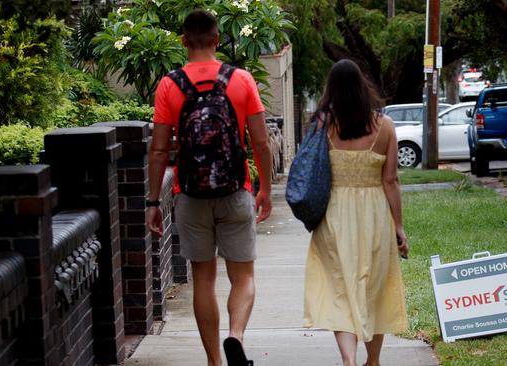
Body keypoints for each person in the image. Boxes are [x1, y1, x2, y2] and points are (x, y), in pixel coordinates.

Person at [146, 9, 272, 366]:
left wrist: (153, 201)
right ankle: (236, 336)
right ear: (217, 39)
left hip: (189, 194)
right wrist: (261, 187)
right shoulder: (241, 80)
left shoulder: (170, 85)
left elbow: (158, 149)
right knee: (243, 275)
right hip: (234, 191)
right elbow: (260, 142)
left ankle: (215, 361)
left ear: (184, 41)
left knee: (203, 277)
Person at [302, 59, 409, 366]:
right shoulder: (385, 127)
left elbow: (312, 169)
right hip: (374, 215)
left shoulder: (323, 125)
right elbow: (390, 180)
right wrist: (398, 226)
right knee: (373, 288)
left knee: (340, 288)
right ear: (363, 86)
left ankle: (349, 360)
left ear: (331, 89)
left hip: (333, 215)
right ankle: (372, 362)